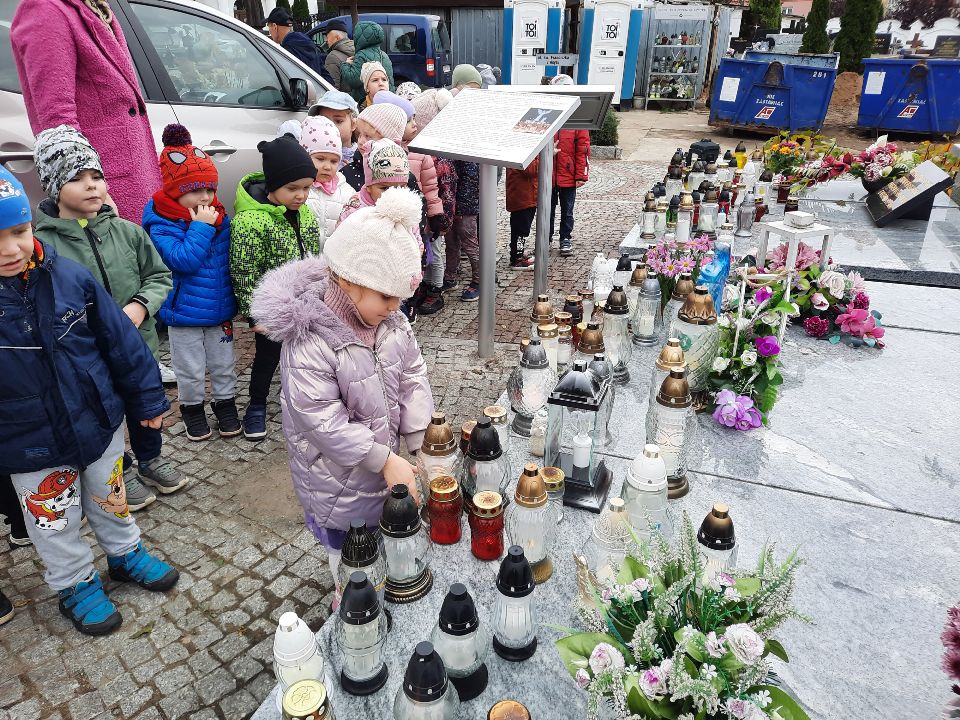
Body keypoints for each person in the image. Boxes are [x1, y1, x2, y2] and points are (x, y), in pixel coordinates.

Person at [0, 166, 179, 636]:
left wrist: (147, 399)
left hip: (97, 421)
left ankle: (124, 553)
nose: (10, 249)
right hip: (28, 440)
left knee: (110, 495)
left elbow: (120, 340)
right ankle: (74, 582)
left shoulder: (68, 276)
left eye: (18, 231)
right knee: (53, 521)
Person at [250, 186, 432, 596]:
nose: (395, 306)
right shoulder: (310, 341)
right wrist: (384, 458)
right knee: (349, 553)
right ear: (349, 281)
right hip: (335, 480)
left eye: (400, 298)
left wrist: (419, 439)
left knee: (383, 537)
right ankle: (348, 600)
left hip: (380, 467)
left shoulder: (392, 322)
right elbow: (321, 421)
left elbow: (412, 375)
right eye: (386, 296)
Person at [31, 125, 186, 510]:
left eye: (96, 176)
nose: (91, 185)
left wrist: (140, 306)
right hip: (89, 356)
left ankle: (151, 457)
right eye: (76, 178)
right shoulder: (44, 247)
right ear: (53, 186)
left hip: (138, 344)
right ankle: (122, 467)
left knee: (145, 405)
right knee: (106, 411)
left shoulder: (128, 232)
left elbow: (158, 275)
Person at [11, 0, 161, 224]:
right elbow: (57, 120)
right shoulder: (44, 8)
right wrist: (97, 194)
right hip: (102, 183)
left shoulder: (96, 6)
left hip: (129, 174)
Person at [142, 125, 240, 442]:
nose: (206, 197)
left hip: (219, 309)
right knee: (189, 368)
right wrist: (200, 228)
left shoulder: (217, 216)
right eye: (196, 190)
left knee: (224, 364)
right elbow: (182, 260)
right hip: (183, 313)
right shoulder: (162, 222)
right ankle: (192, 409)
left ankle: (225, 404)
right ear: (175, 191)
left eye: (210, 189)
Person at [230, 135, 322, 441]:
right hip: (272, 308)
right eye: (292, 188)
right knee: (267, 357)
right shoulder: (250, 221)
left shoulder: (305, 213)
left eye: (307, 188)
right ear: (273, 185)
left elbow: (312, 255)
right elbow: (245, 271)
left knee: (306, 355)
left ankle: (304, 401)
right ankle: (256, 405)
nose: (301, 196)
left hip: (304, 301)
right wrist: (255, 315)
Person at [407, 88, 456, 316]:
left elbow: (445, 192)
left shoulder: (436, 156)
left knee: (434, 253)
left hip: (432, 217)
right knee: (422, 252)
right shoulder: (409, 150)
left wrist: (440, 219)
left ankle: (436, 289)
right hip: (417, 216)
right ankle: (425, 285)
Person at [549, 75, 591, 256]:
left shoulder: (576, 118)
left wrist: (581, 175)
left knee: (567, 210)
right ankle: (546, 237)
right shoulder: (548, 113)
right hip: (548, 174)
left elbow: (583, 149)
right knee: (547, 209)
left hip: (568, 174)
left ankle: (565, 238)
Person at [299, 116, 353, 246]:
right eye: (320, 159)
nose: (328, 167)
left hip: (335, 254)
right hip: (304, 255)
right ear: (304, 157)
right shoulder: (297, 189)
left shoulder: (347, 192)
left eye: (334, 161)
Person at [264, 7, 335, 85]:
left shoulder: (287, 51)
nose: (269, 31)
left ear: (275, 26)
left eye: (268, 26)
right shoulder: (306, 42)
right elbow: (325, 76)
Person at [340, 21, 394, 104]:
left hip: (366, 101)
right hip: (385, 99)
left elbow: (354, 81)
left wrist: (345, 65)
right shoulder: (384, 55)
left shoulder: (361, 55)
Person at [308, 90, 360, 170]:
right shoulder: (310, 152)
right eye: (324, 121)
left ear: (353, 124)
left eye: (338, 121)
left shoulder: (362, 156)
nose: (330, 126)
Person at [506, 156, 539, 269]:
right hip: (523, 197)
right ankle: (517, 259)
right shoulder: (523, 152)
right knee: (520, 231)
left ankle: (517, 254)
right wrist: (546, 157)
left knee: (519, 230)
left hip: (523, 196)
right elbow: (530, 170)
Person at [323, 20, 356, 93]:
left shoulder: (332, 57)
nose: (326, 40)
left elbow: (332, 90)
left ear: (337, 37)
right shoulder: (358, 50)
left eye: (327, 37)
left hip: (343, 99)